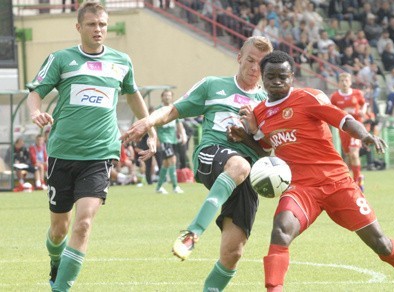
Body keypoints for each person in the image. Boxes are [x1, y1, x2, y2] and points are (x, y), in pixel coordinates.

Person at [230, 50, 394, 292]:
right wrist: (244, 138)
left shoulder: (308, 98)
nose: (277, 81)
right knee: (280, 231)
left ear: (292, 76)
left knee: (380, 243)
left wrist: (365, 136)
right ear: (262, 77)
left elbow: (343, 120)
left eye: (283, 76)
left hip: (338, 183)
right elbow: (265, 154)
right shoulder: (259, 113)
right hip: (300, 189)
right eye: (271, 76)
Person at [121, 36, 274, 291]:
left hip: (247, 174)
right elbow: (174, 109)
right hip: (212, 154)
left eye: (261, 64)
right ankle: (193, 232)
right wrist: (148, 122)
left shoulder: (267, 102)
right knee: (239, 166)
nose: (254, 68)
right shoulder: (213, 85)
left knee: (232, 253)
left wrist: (249, 134)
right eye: (250, 60)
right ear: (239, 57)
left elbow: (269, 149)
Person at [26, 2, 155, 291]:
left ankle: (61, 288)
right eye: (92, 24)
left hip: (100, 154)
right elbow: (36, 92)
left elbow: (133, 96)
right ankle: (56, 258)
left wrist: (150, 128)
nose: (98, 29)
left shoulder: (122, 61)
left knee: (83, 224)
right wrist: (36, 112)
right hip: (62, 152)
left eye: (102, 24)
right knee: (59, 230)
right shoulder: (61, 59)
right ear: (78, 27)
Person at [330, 72, 367, 190]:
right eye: (342, 81)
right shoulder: (335, 96)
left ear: (350, 82)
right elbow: (331, 109)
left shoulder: (357, 93)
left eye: (346, 80)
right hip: (344, 129)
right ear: (338, 83)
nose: (344, 82)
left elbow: (364, 104)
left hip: (357, 127)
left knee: (354, 153)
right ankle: (356, 176)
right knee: (348, 154)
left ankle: (357, 183)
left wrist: (363, 111)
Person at [154, 89, 187, 194]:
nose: (167, 97)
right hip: (163, 138)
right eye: (165, 95)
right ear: (162, 97)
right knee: (172, 159)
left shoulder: (174, 108)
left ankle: (159, 187)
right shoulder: (158, 109)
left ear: (172, 97)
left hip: (172, 139)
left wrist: (183, 135)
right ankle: (175, 186)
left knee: (166, 163)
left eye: (169, 96)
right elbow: (153, 125)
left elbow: (179, 123)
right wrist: (155, 138)